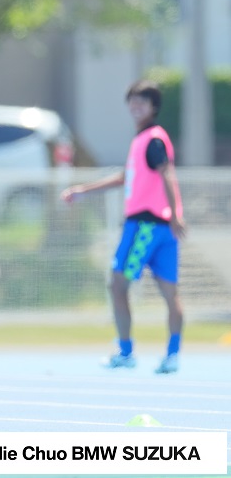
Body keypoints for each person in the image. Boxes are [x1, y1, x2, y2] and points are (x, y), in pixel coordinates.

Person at [61, 79, 186, 374]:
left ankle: (126, 351)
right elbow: (124, 178)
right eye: (132, 101)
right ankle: (172, 355)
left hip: (145, 225)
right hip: (162, 228)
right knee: (169, 292)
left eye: (142, 102)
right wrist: (83, 189)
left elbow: (167, 174)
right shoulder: (144, 140)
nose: (136, 106)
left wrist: (177, 213)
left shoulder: (152, 138)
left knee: (117, 286)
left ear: (154, 107)